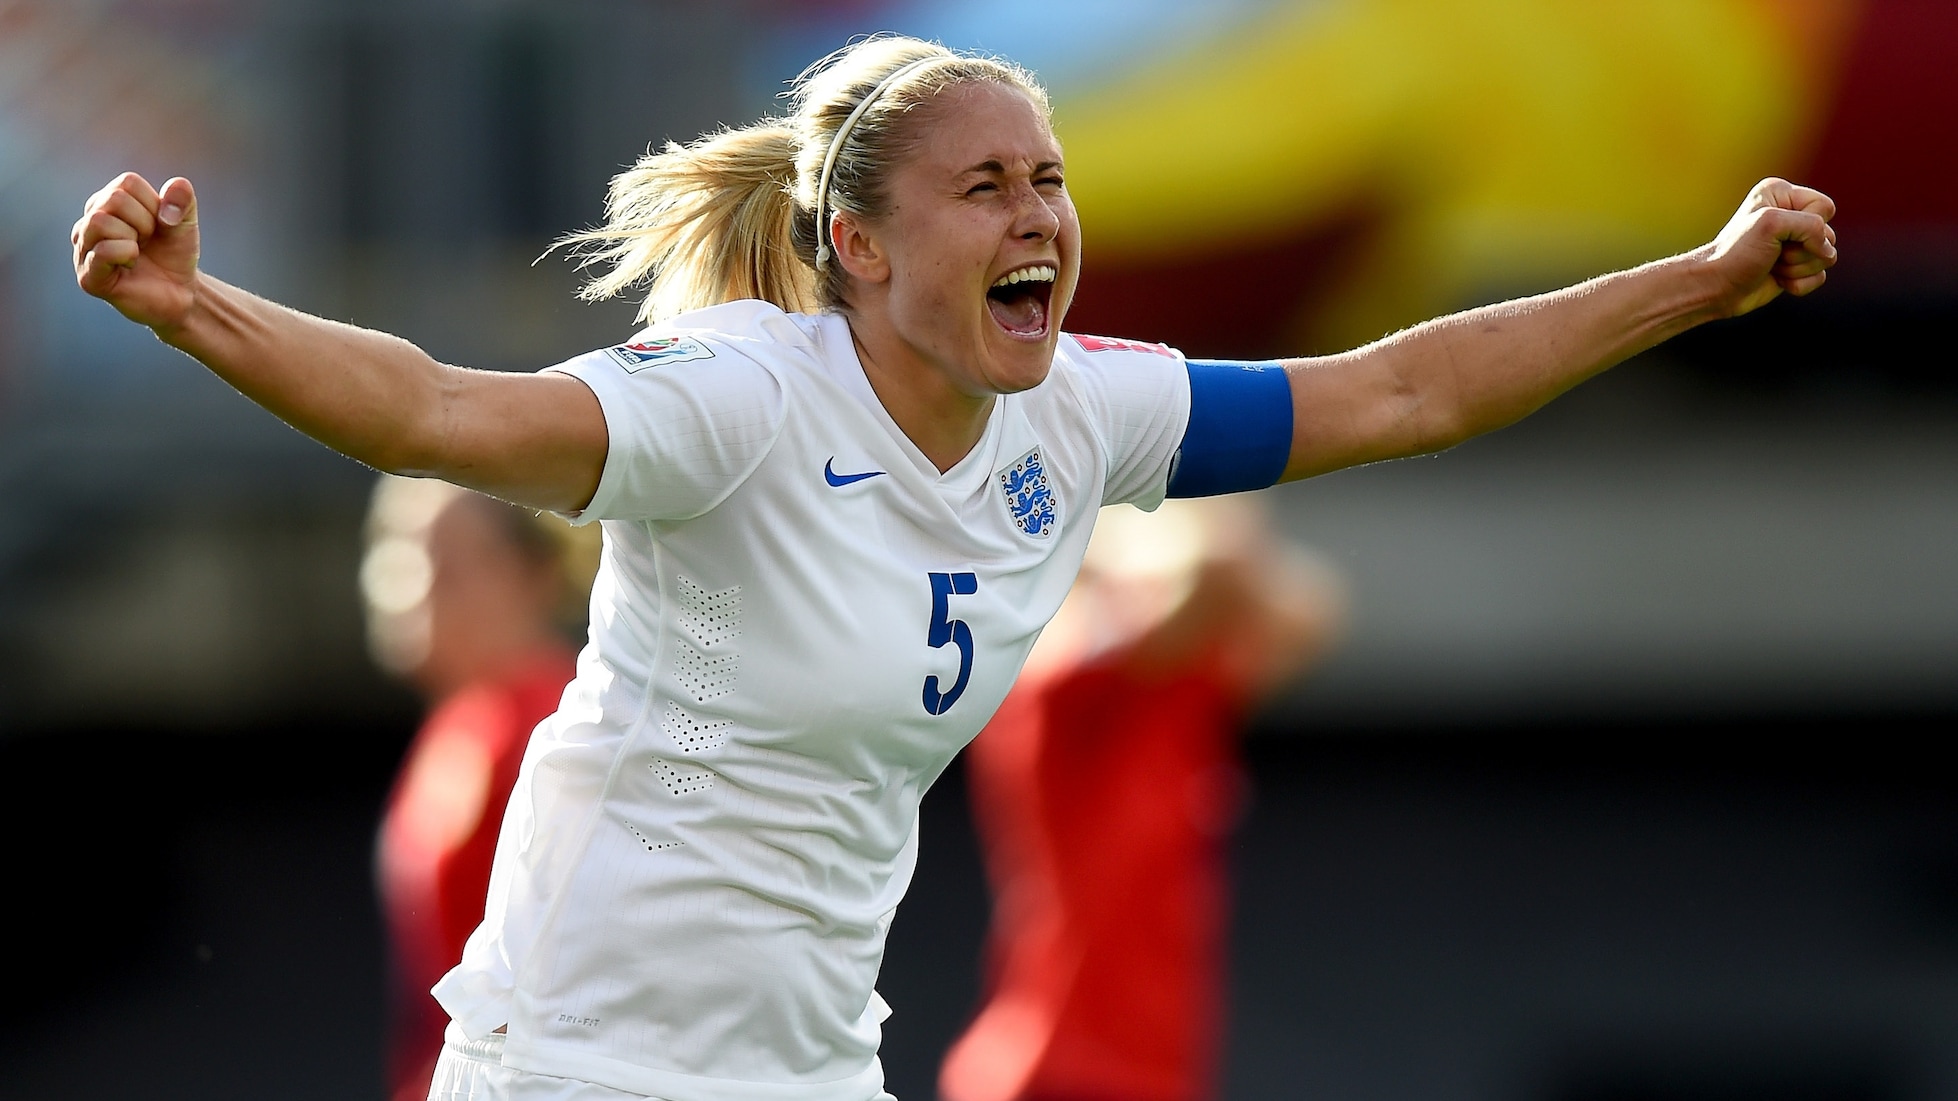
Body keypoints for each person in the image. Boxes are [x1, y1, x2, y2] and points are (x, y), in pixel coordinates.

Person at [69, 33, 1835, 1101]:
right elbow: (440, 414)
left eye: (1049, 182)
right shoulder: (736, 402)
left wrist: (1698, 275)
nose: (1038, 218)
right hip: (584, 1065)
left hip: (812, 1066)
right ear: (852, 244)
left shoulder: (1079, 416)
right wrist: (192, 307)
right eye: (985, 185)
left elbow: (1402, 385)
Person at [941, 497, 1345, 1101]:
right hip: (1058, 1069)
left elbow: (1314, 614)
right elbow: (1219, 563)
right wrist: (1179, 521)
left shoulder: (1178, 686)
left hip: (1148, 1072)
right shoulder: (1050, 677)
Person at [361, 476, 592, 1101]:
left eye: (448, 562)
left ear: (532, 575)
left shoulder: (546, 730)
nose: (409, 581)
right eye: (398, 548)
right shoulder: (462, 724)